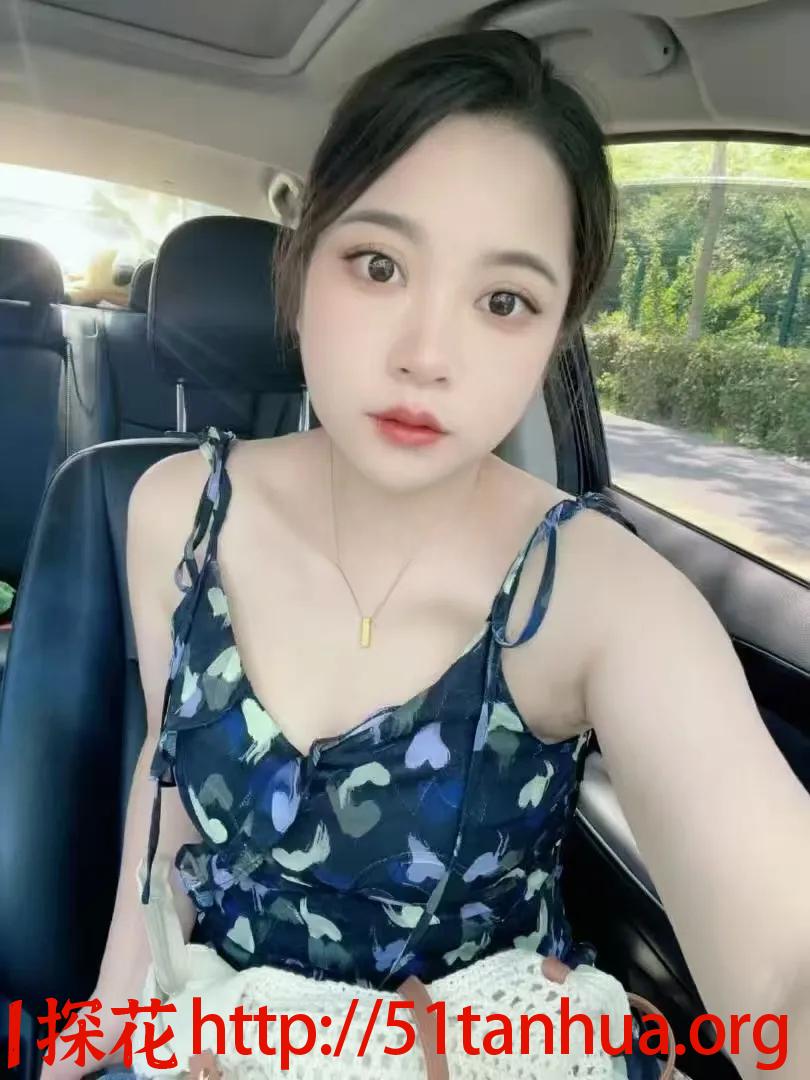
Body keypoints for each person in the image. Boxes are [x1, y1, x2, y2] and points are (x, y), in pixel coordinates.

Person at [41, 28, 809, 1080]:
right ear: (302, 262)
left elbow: (786, 973)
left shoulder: (598, 592)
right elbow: (169, 777)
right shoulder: (179, 512)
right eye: (379, 265)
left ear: (554, 333)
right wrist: (112, 1007)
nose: (427, 355)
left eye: (504, 301)